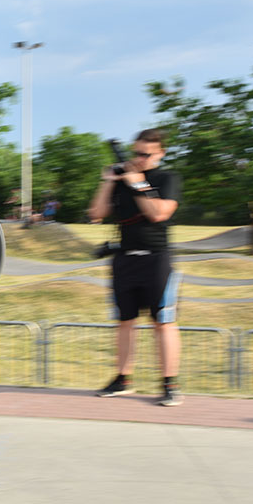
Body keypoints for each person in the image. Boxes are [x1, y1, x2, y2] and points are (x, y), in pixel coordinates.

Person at [87, 129, 183, 406]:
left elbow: (159, 214)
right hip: (124, 259)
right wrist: (108, 182)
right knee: (124, 322)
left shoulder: (168, 178)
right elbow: (96, 214)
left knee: (163, 322)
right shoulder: (121, 179)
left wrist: (138, 183)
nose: (139, 158)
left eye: (146, 154)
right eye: (136, 153)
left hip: (157, 258)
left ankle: (170, 384)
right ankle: (123, 379)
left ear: (161, 153)